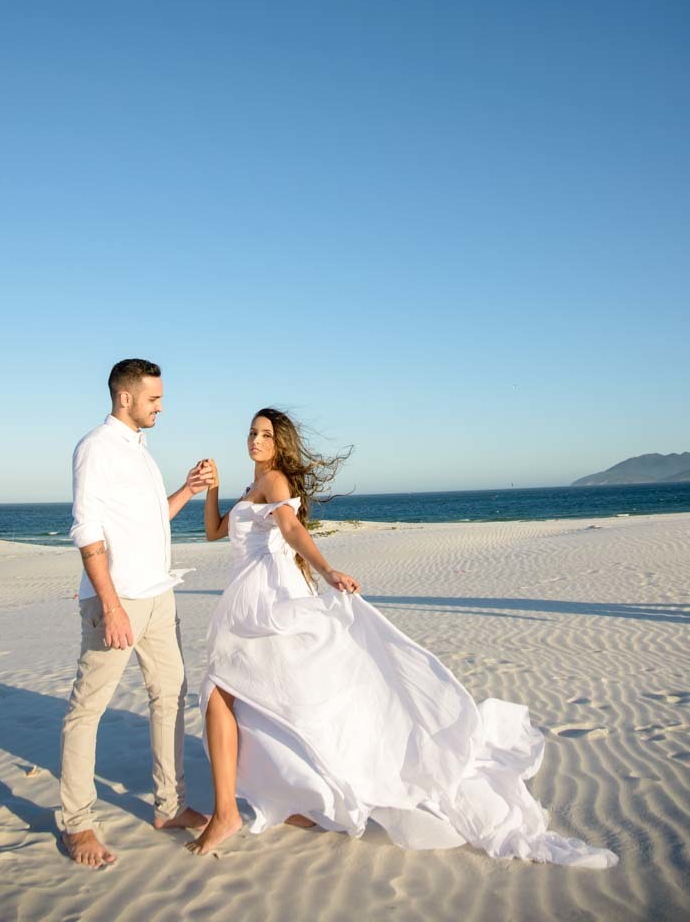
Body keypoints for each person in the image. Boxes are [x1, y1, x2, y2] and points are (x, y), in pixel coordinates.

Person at [187, 408, 618, 868]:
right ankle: (300, 798)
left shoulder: (274, 481)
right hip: (247, 600)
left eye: (265, 434)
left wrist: (328, 569)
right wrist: (213, 489)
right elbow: (215, 531)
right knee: (273, 702)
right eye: (252, 432)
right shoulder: (252, 488)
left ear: (280, 443)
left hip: (269, 601)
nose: (255, 439)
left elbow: (292, 529)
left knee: (230, 694)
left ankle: (230, 812)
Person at [59, 358, 213, 868]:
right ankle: (77, 824)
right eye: (154, 399)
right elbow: (87, 531)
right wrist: (110, 605)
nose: (160, 407)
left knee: (170, 697)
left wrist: (188, 491)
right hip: (117, 600)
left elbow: (150, 520)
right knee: (88, 710)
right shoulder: (95, 449)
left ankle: (169, 807)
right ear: (125, 397)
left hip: (160, 598)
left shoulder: (142, 452)